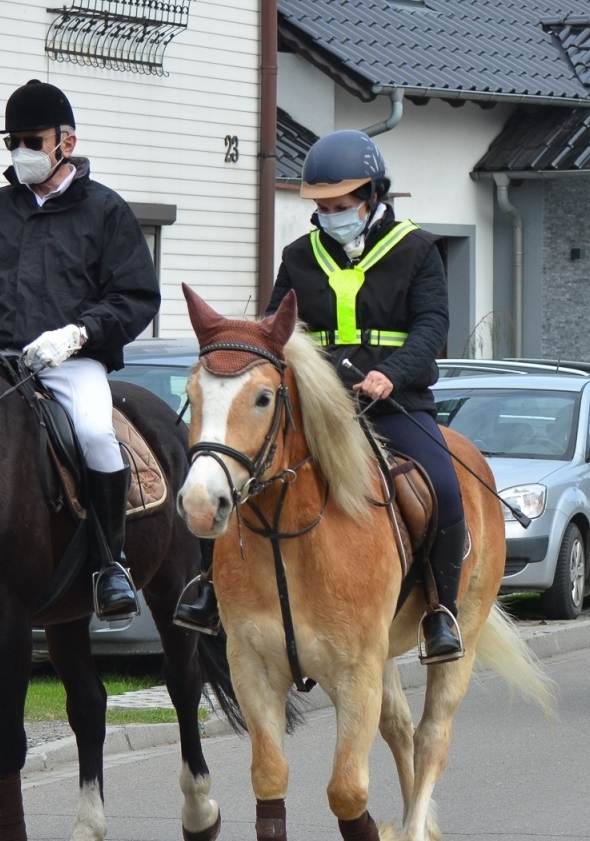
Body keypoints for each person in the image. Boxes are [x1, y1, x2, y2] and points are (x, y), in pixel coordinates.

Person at [177, 130, 467, 664]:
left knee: (444, 491)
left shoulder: (419, 250)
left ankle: (439, 612)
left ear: (373, 196)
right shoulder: (298, 256)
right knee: (230, 468)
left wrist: (392, 374)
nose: (330, 215)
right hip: (316, 403)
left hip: (392, 401)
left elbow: (432, 327)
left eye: (341, 206)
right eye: (323, 207)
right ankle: (208, 587)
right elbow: (275, 330)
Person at [0, 80, 159, 621]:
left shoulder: (106, 212)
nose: (21, 153)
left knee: (94, 434)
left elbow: (135, 295)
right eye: (11, 142)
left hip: (71, 359)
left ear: (66, 142)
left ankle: (112, 562)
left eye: (31, 141)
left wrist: (79, 333)